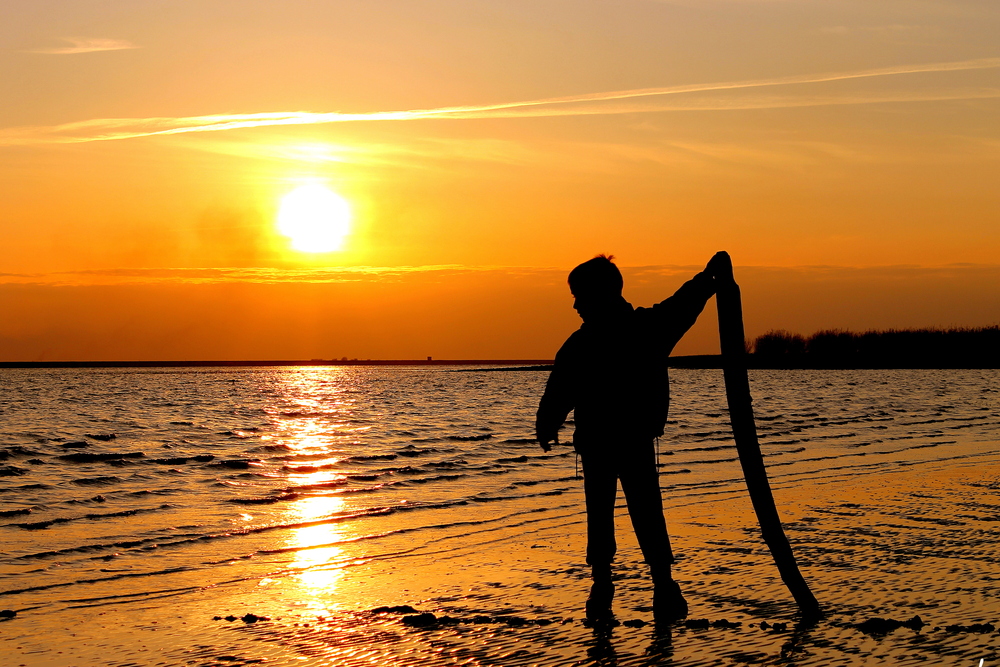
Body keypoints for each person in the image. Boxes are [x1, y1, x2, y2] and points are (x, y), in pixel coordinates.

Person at [535, 252, 727, 620]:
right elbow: (560, 390)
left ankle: (649, 585)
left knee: (632, 512)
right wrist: (547, 422)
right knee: (630, 512)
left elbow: (683, 303)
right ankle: (620, 584)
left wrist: (707, 279)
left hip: (620, 440)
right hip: (605, 442)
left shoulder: (631, 331)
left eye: (580, 296)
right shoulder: (626, 333)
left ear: (603, 293)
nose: (575, 305)